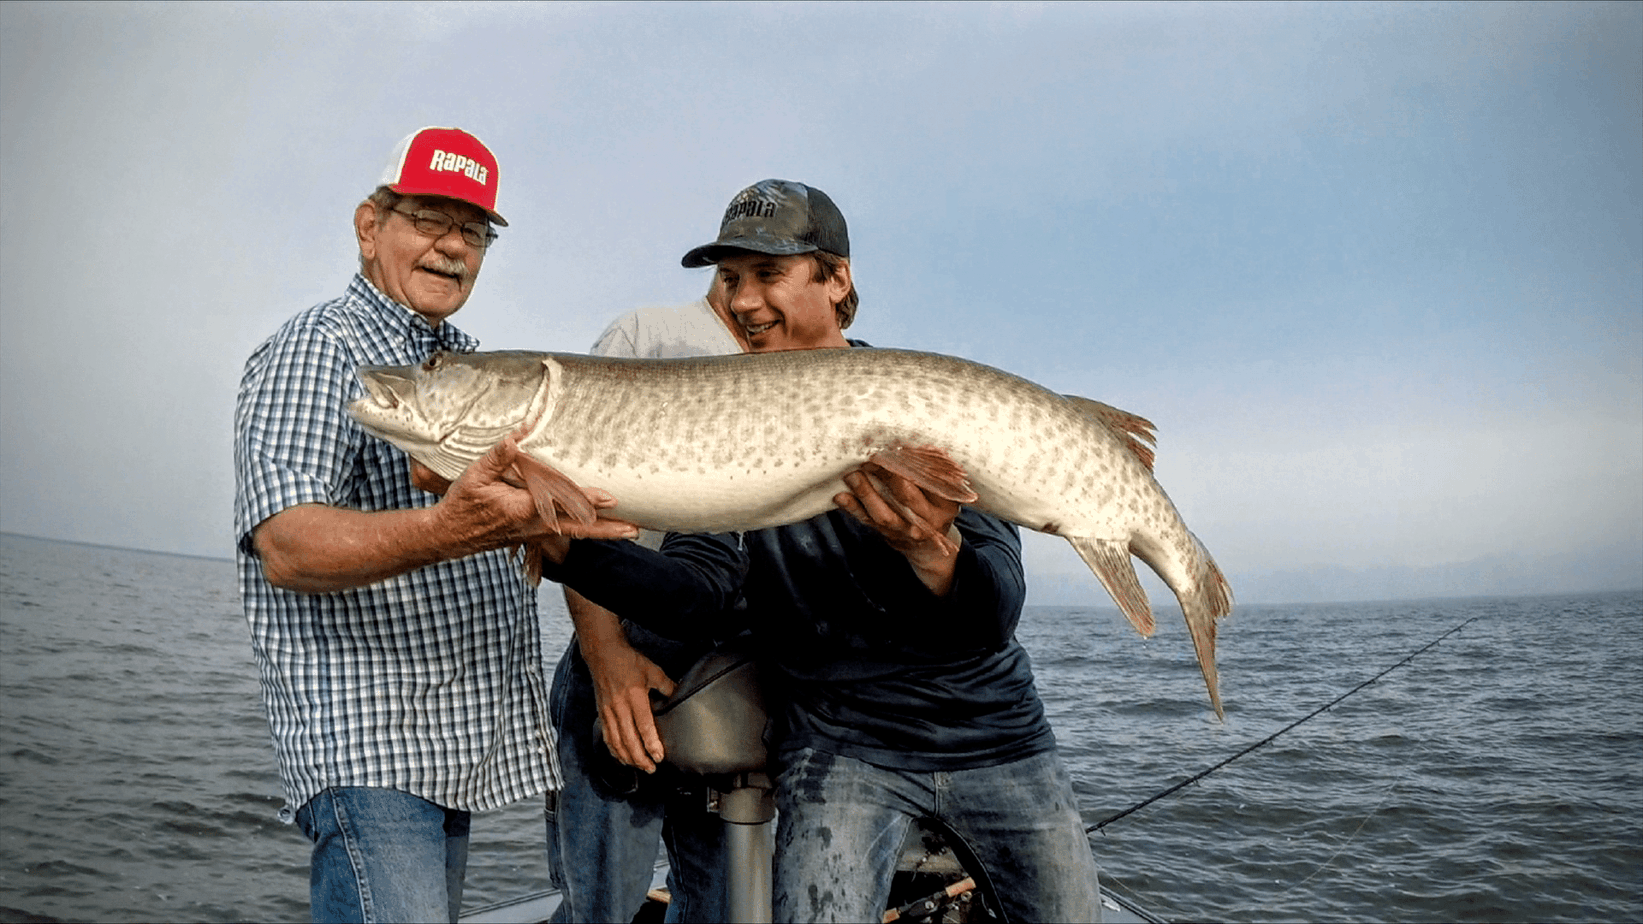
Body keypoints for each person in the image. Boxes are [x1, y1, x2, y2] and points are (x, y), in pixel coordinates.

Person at [539, 179, 1103, 923]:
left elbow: (993, 608)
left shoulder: (919, 397)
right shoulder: (726, 428)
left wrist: (933, 555)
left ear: (836, 279)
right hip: (837, 749)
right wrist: (559, 550)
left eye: (768, 275)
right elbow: (702, 591)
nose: (741, 302)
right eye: (729, 278)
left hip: (992, 735)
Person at [233, 126, 635, 924]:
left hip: (459, 742)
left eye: (473, 231)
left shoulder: (476, 365)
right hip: (371, 739)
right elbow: (286, 544)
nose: (452, 247)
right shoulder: (319, 349)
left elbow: (552, 527)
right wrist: (446, 530)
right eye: (427, 219)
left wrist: (608, 655)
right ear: (368, 226)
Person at [545, 276, 747, 923]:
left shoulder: (807, 364)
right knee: (599, 909)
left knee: (721, 906)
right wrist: (606, 657)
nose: (753, 296)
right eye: (740, 272)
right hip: (627, 666)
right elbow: (568, 512)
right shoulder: (647, 335)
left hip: (736, 689)